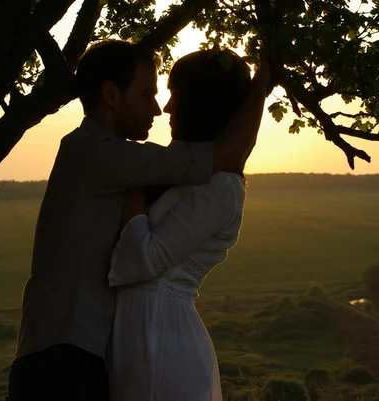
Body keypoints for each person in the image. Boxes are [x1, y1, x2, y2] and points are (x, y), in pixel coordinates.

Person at [7, 40, 270, 401]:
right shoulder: (101, 154)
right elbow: (223, 155)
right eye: (147, 93)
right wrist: (259, 89)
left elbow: (220, 163)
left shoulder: (108, 156)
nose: (160, 108)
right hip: (64, 356)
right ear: (111, 95)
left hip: (85, 353)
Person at [108, 48, 266, 400]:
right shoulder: (183, 174)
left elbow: (145, 259)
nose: (166, 108)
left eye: (175, 96)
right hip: (137, 334)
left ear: (200, 104)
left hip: (162, 338)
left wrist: (131, 183)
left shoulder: (221, 187)